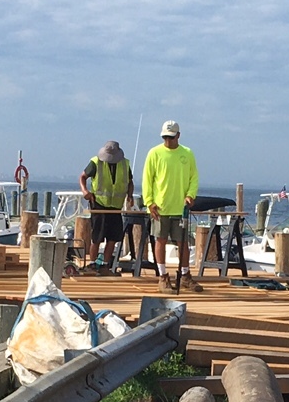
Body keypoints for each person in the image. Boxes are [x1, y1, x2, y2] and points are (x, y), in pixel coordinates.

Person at [141, 119, 200, 293]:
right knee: (160, 240)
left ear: (178, 136)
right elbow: (147, 180)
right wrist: (149, 202)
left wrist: (190, 195)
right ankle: (162, 276)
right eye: (165, 137)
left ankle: (185, 275)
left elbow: (194, 177)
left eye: (171, 137)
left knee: (182, 243)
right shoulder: (154, 153)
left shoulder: (187, 153)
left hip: (180, 208)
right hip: (160, 207)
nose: (168, 141)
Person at [80, 139, 135, 272]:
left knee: (113, 237)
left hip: (116, 206)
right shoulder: (95, 162)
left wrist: (130, 195)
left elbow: (130, 181)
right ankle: (92, 264)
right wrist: (85, 191)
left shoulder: (124, 164)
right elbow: (82, 177)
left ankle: (105, 265)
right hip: (98, 203)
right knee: (97, 236)